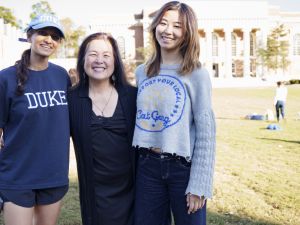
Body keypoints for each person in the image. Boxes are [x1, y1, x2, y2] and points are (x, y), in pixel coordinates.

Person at [132, 1, 216, 225]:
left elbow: (206, 132)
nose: (168, 30)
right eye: (163, 23)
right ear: (155, 26)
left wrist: (200, 184)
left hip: (183, 170)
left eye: (177, 26)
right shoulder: (142, 72)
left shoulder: (196, 73)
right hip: (147, 167)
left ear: (187, 32)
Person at [0, 14, 70, 225]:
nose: (49, 39)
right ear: (30, 35)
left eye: (55, 37)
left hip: (53, 173)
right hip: (17, 175)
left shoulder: (61, 76)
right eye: (43, 33)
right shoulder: (5, 78)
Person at [68, 32, 137, 225]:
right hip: (95, 196)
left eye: (106, 55)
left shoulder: (133, 97)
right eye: (93, 54)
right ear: (83, 59)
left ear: (115, 61)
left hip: (133, 193)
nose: (99, 60)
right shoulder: (72, 100)